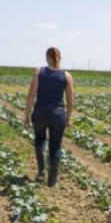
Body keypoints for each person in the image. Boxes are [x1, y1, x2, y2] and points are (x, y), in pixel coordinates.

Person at [23, 47, 75, 187]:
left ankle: (41, 171)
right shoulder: (67, 76)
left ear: (47, 57)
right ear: (60, 58)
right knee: (55, 147)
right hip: (58, 114)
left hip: (40, 112)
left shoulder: (38, 72)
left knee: (39, 141)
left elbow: (31, 96)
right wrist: (68, 118)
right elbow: (70, 101)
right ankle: (52, 182)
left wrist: (26, 115)